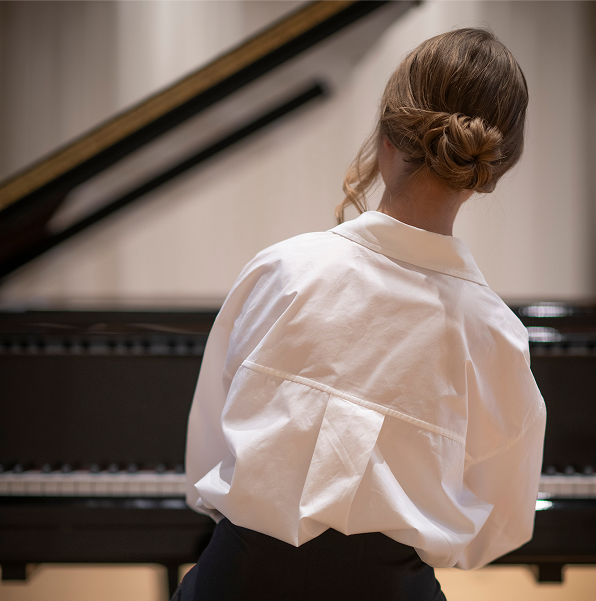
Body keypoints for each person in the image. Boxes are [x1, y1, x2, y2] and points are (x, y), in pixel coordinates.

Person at [175, 27, 546, 601]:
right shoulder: (495, 334)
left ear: (387, 139)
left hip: (240, 582)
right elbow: (498, 528)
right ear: (490, 171)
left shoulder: (283, 271)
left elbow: (210, 455)